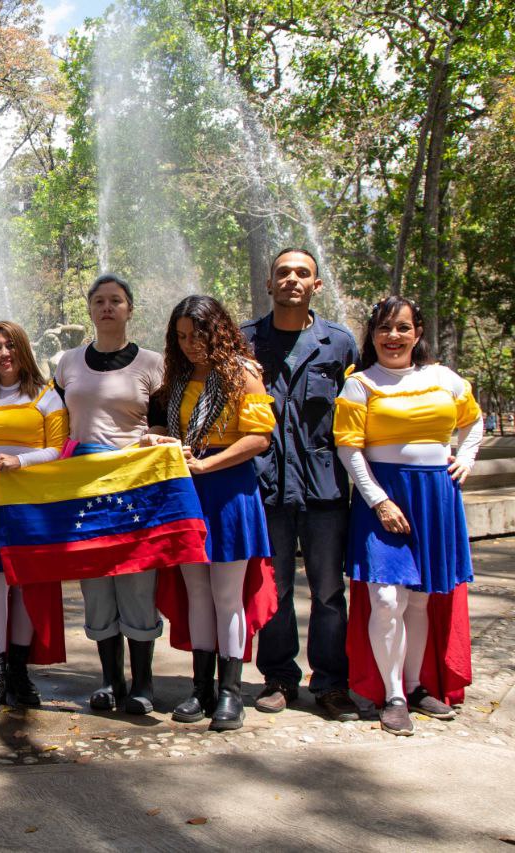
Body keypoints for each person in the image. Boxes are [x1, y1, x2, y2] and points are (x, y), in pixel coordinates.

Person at [335, 296, 481, 736]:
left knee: (419, 599)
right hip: (383, 498)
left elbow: (472, 421)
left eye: (402, 328)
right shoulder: (360, 383)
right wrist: (378, 499)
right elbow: (349, 448)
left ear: (418, 332)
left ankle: (418, 686)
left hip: (436, 496)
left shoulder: (444, 378)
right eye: (383, 328)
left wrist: (467, 458)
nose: (392, 336)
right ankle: (393, 694)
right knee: (385, 599)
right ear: (372, 335)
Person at [142, 295, 277, 731]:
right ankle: (200, 688)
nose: (188, 345)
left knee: (226, 596)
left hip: (228, 490)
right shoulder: (178, 378)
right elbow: (167, 429)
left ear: (216, 331)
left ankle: (231, 692)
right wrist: (157, 442)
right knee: (197, 593)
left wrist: (206, 463)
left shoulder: (243, 374)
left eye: (196, 335)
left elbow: (259, 438)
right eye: (180, 337)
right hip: (187, 493)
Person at [241, 248, 362, 721]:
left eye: (303, 273)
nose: (292, 279)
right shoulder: (246, 342)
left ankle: (331, 682)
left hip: (325, 486)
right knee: (274, 586)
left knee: (330, 590)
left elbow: (359, 414)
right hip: (266, 484)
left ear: (317, 285)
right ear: (269, 284)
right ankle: (279, 677)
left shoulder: (340, 344)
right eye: (283, 272)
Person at [54, 274, 164, 715]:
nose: (106, 308)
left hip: (135, 488)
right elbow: (58, 424)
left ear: (129, 308)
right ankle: (109, 680)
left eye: (115, 301)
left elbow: (161, 423)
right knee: (97, 585)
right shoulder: (67, 363)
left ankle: (144, 683)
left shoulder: (154, 364)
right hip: (85, 491)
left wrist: (145, 443)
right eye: (99, 301)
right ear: (90, 309)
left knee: (137, 582)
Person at [0, 321, 69, 717]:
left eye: (9, 346)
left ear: (22, 349)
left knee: (24, 582)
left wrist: (22, 460)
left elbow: (60, 450)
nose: (3, 353)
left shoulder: (46, 397)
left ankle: (19, 672)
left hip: (29, 496)